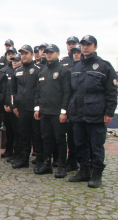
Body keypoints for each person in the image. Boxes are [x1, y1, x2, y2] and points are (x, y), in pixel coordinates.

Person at [68, 35, 117, 188]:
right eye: (83, 45)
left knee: (96, 145)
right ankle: (84, 171)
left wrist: (109, 112)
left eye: (89, 44)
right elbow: (71, 91)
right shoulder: (76, 67)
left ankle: (96, 174)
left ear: (95, 47)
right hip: (78, 114)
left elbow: (111, 91)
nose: (85, 47)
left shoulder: (104, 66)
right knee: (80, 144)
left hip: (96, 114)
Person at [34, 44, 71, 178]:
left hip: (57, 113)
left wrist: (64, 111)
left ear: (57, 54)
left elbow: (67, 93)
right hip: (44, 112)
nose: (49, 54)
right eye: (47, 52)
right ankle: (47, 164)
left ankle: (62, 166)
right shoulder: (42, 72)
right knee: (46, 139)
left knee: (60, 139)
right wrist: (37, 108)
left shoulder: (63, 71)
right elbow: (38, 92)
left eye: (52, 52)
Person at [11, 45, 43, 170]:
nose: (24, 56)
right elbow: (13, 90)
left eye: (26, 53)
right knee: (23, 134)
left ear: (31, 54)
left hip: (34, 109)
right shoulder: (17, 71)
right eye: (22, 53)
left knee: (37, 135)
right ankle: (24, 159)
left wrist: (38, 107)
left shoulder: (37, 70)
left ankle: (40, 161)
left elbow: (40, 90)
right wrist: (14, 106)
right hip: (21, 109)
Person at [65, 44, 81, 172]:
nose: (76, 54)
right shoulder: (69, 70)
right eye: (74, 52)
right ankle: (72, 161)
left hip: (87, 109)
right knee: (71, 138)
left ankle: (88, 165)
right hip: (71, 109)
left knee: (85, 140)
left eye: (79, 52)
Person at [0, 47, 17, 158]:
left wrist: (13, 105)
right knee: (8, 130)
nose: (10, 56)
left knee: (17, 131)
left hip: (16, 107)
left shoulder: (19, 70)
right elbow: (2, 90)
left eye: (12, 54)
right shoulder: (3, 71)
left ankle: (17, 152)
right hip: (5, 106)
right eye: (8, 54)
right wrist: (5, 104)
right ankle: (8, 150)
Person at [6, 53, 23, 163]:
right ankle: (14, 153)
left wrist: (14, 106)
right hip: (10, 108)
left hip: (20, 108)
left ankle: (20, 154)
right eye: (13, 61)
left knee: (19, 133)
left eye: (17, 60)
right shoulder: (10, 74)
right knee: (12, 132)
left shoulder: (22, 73)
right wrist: (6, 104)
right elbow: (7, 92)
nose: (15, 62)